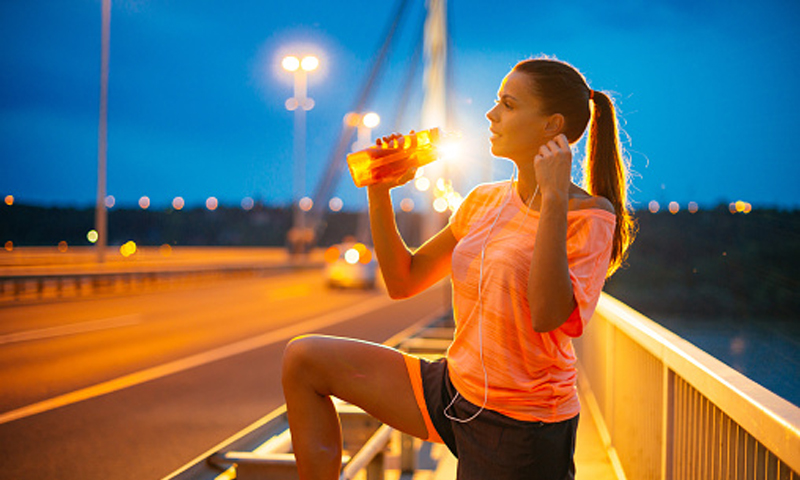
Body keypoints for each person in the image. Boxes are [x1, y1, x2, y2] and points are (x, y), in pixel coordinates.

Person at [281, 56, 634, 479]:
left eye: (508, 104)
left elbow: (547, 314)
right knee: (304, 360)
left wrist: (554, 199)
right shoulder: (482, 201)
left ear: (552, 125)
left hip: (521, 425)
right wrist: (379, 191)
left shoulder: (591, 216)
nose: (491, 114)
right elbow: (403, 280)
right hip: (453, 390)